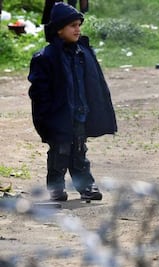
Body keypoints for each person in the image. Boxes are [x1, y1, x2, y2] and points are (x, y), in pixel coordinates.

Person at [28, 2, 117, 202]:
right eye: (72, 26)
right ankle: (56, 188)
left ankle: (86, 187)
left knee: (79, 151)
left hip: (80, 112)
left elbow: (94, 85)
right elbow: (39, 92)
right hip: (57, 115)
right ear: (59, 30)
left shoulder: (83, 53)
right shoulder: (46, 57)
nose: (77, 29)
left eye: (79, 25)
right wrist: (45, 117)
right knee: (59, 152)